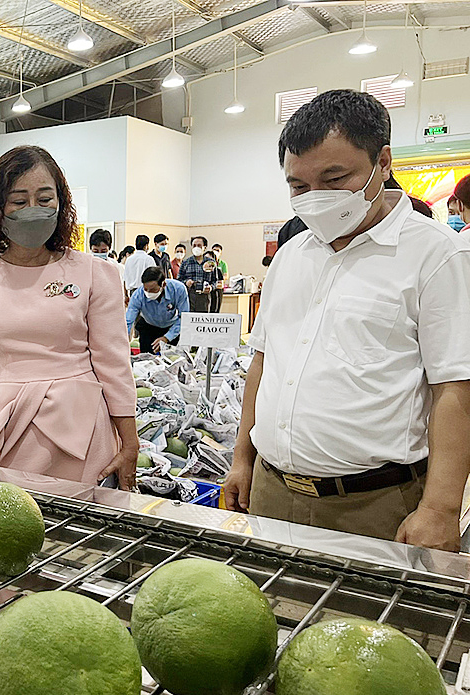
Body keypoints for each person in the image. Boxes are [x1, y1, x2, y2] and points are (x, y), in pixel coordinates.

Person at [224, 89, 470, 551]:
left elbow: (454, 390)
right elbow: (263, 364)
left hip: (373, 505)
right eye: (298, 186)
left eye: (334, 178)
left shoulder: (437, 256)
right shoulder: (291, 255)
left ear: (383, 162)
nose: (315, 199)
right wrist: (243, 459)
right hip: (271, 491)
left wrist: (440, 510)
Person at [0, 145, 138, 488]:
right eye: (19, 201)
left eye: (45, 199)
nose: (33, 210)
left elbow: (114, 363)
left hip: (84, 435)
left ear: (61, 204)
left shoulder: (97, 273)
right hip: (7, 430)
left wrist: (130, 442)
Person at [125, 265, 189, 354]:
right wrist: (123, 340)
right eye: (145, 289)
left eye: (153, 290)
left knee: (170, 359)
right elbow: (128, 320)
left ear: (163, 284)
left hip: (171, 327)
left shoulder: (178, 289)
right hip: (148, 326)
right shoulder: (138, 295)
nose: (148, 293)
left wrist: (167, 337)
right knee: (147, 358)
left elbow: (184, 317)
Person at [178, 236, 213, 312]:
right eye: (194, 246)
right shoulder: (185, 262)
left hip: (204, 296)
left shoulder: (211, 262)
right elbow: (179, 280)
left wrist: (211, 287)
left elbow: (215, 281)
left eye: (199, 246)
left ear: (205, 247)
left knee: (202, 319)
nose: (196, 248)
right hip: (190, 296)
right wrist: (186, 282)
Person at [123, 234, 155, 300]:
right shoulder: (149, 259)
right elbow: (154, 277)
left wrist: (125, 295)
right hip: (146, 291)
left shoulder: (129, 259)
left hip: (132, 292)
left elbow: (125, 279)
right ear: (146, 246)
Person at [205, 246, 225, 313]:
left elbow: (221, 284)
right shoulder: (201, 271)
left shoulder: (217, 271)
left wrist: (212, 286)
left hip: (215, 295)